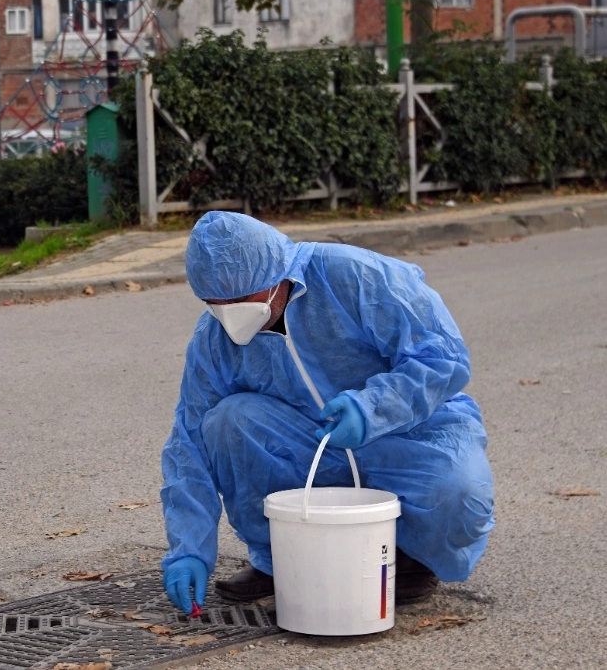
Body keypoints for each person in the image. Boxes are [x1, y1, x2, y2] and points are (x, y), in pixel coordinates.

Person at [161, 211, 494, 612]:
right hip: (311, 442)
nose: (229, 313)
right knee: (228, 422)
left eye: (241, 299)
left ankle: (412, 556)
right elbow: (189, 440)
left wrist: (372, 407)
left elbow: (441, 357)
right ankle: (283, 556)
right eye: (215, 304)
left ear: (276, 276)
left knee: (458, 491)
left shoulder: (355, 275)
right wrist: (188, 549)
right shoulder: (213, 340)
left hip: (410, 433)